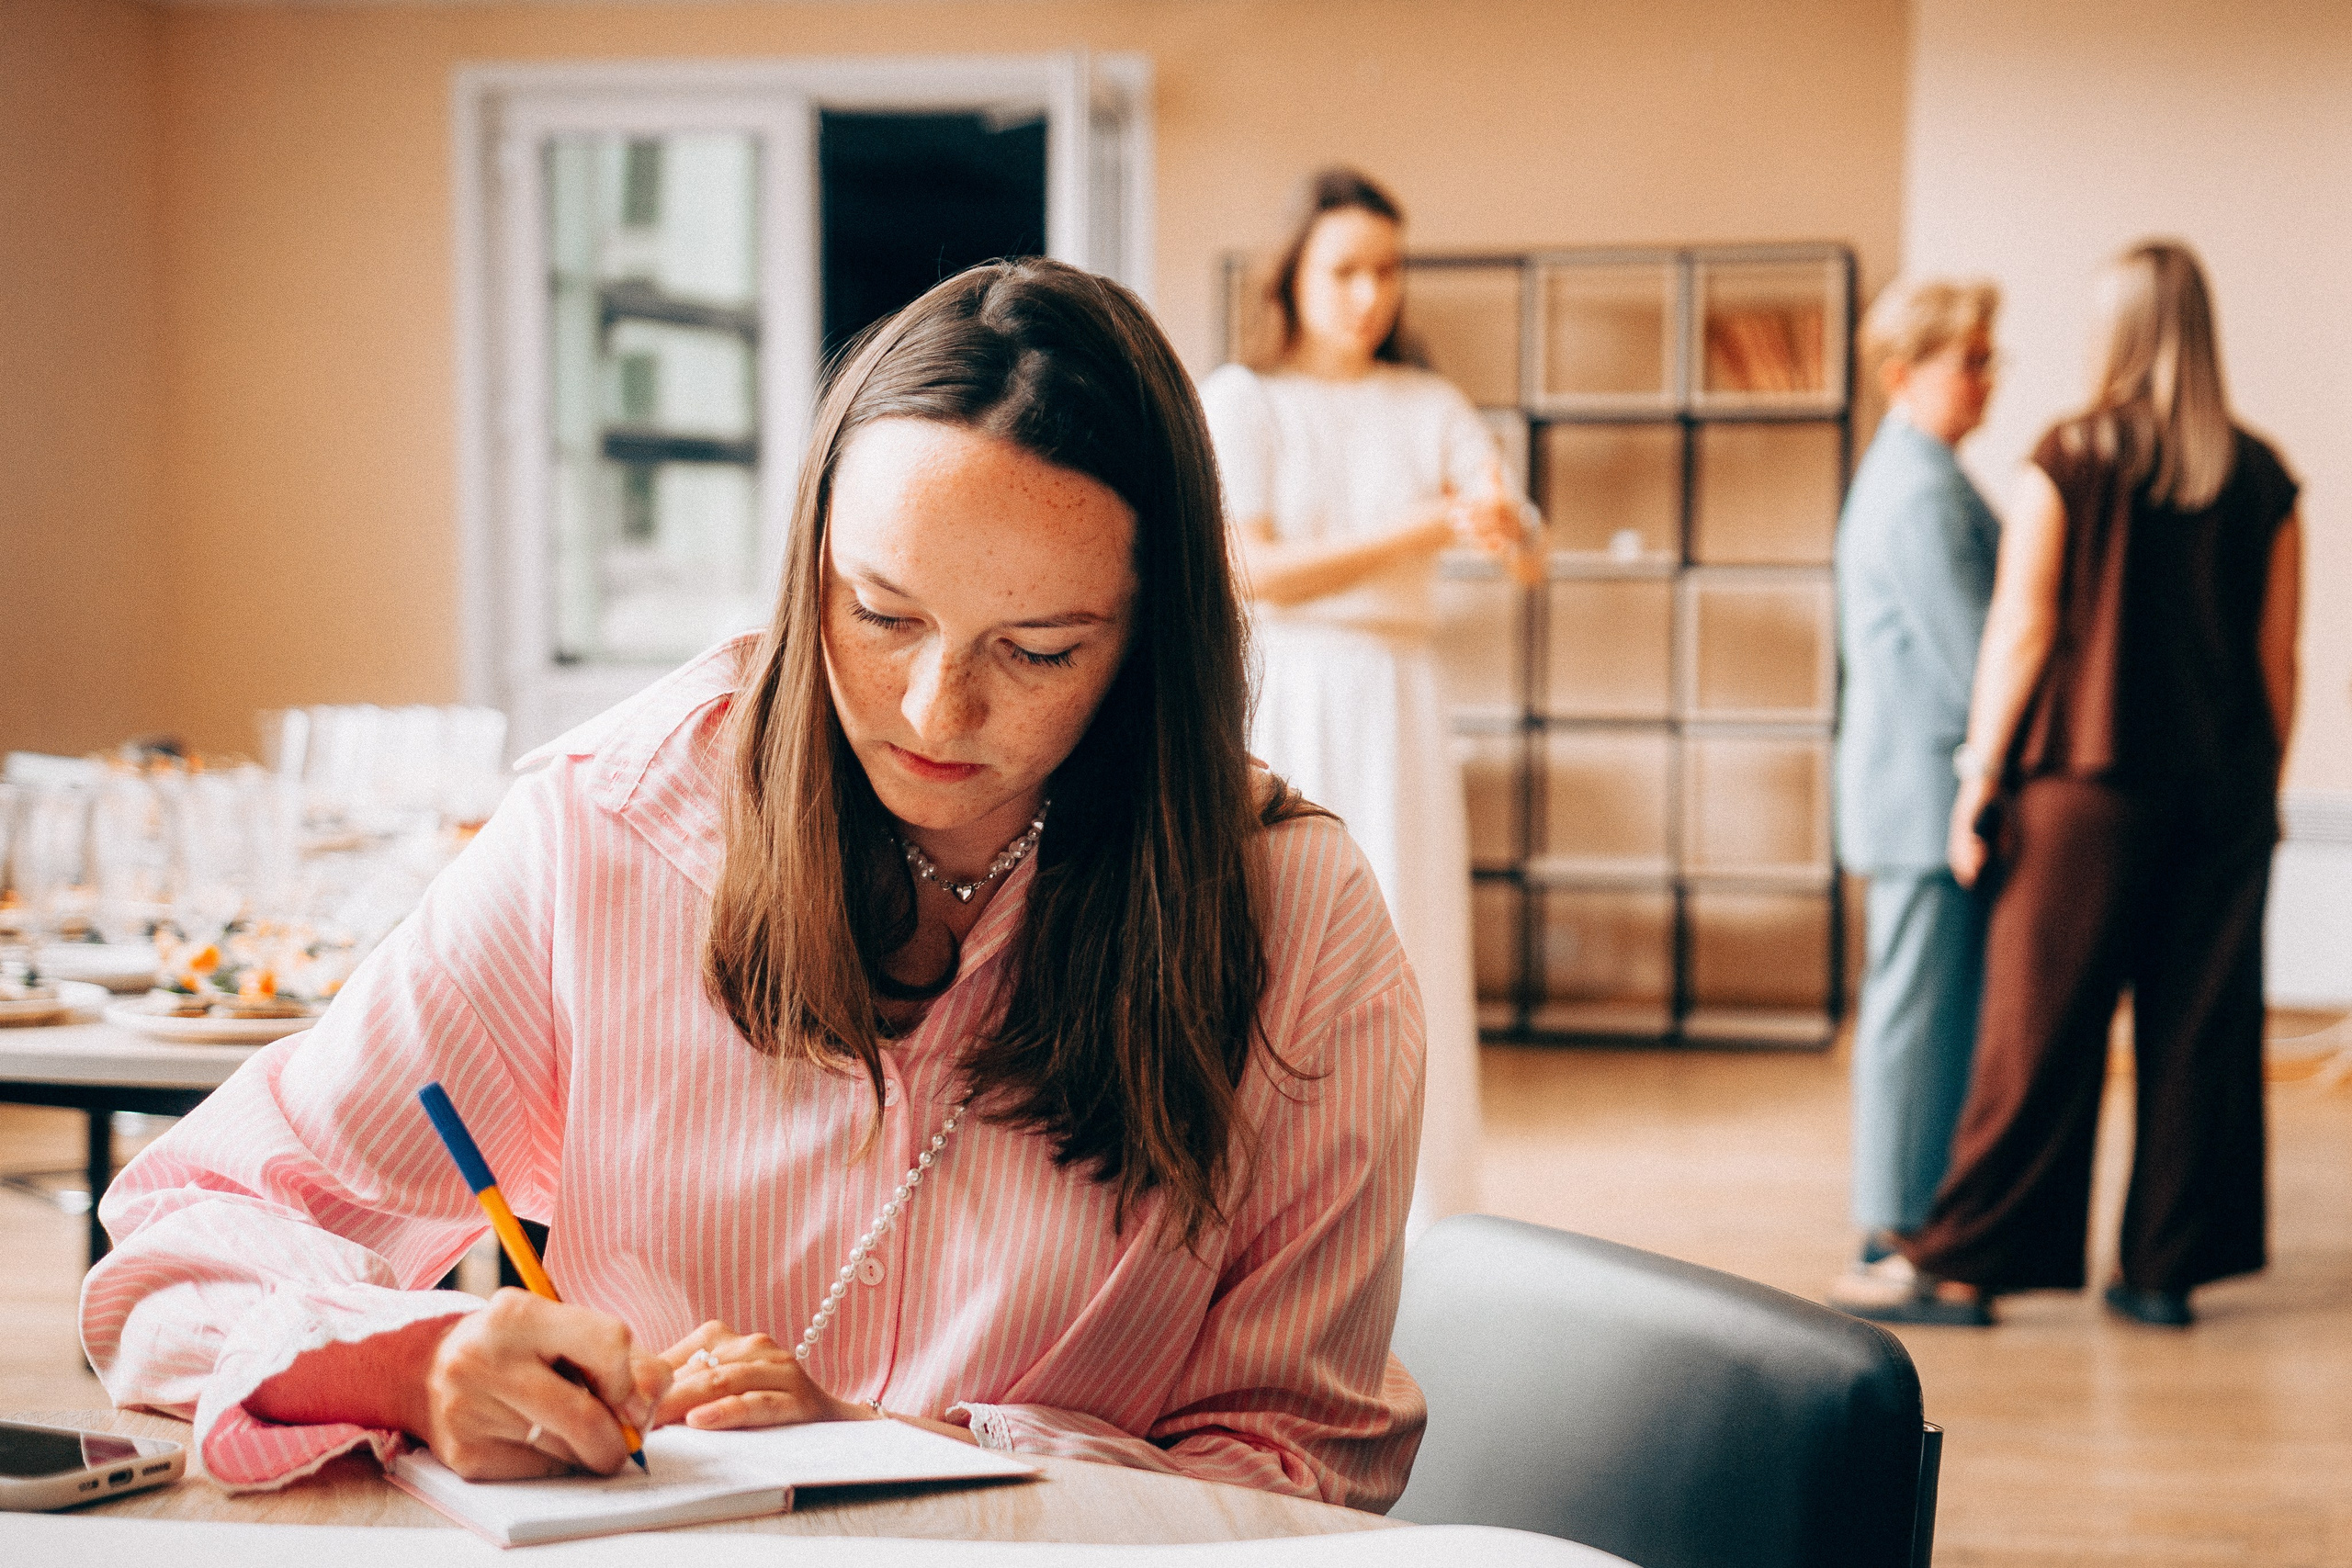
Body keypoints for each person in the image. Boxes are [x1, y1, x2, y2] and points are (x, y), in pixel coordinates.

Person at [79, 259, 1430, 1506]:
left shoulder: (1298, 918)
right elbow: (184, 1240)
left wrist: (902, 1449)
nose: (934, 709)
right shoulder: (611, 827)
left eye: (1036, 650)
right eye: (881, 612)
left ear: (1147, 642)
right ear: (808, 569)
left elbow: (1301, 1467)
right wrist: (411, 1363)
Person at [1873, 241, 2301, 1327]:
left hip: (2079, 792)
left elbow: (2021, 633)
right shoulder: (2261, 475)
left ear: (2113, 331)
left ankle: (1968, 1269)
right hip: (2221, 796)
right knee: (2198, 1039)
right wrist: (2260, 788)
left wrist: (1979, 777)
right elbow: (2277, 661)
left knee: (2037, 1035)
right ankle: (2162, 1273)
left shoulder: (2066, 458)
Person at [1199, 168, 1525, 1235]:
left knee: (1409, 936)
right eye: (1344, 270)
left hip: (1398, 693)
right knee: (1278, 942)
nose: (1369, 294)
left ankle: (1421, 1216)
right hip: (1285, 693)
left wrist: (1504, 523)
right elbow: (1256, 571)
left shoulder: (1427, 402)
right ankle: (1269, 1209)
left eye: (1387, 271)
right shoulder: (1243, 400)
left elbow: (1522, 545)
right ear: (1293, 274)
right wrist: (1430, 523)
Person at [1824, 278, 2002, 1326]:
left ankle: (1903, 1223)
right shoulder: (1922, 490)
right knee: (1915, 1017)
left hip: (1914, 789)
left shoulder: (1913, 473)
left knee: (1922, 1014)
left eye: (1988, 358)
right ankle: (1891, 1235)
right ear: (1903, 374)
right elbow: (1977, 656)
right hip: (1927, 793)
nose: (1985, 378)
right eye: (1967, 360)